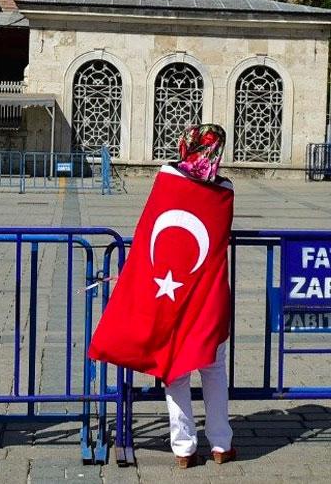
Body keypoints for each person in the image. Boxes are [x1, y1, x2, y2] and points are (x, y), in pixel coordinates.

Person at [87, 124, 236, 468]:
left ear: (188, 144)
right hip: (209, 298)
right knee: (213, 369)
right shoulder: (225, 191)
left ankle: (184, 448)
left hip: (171, 293)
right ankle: (221, 444)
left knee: (176, 369)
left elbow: (147, 231)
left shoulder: (168, 177)